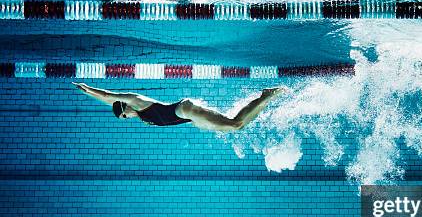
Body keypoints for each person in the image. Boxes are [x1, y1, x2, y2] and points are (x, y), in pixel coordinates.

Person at [73, 82, 285, 131]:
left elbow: (109, 96)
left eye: (124, 116)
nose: (128, 118)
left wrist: (89, 90)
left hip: (186, 110)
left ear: (124, 107)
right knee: (236, 127)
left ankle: (265, 96)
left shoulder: (137, 102)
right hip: (191, 118)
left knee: (235, 124)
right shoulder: (143, 117)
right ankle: (264, 101)